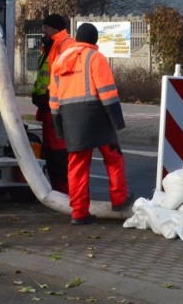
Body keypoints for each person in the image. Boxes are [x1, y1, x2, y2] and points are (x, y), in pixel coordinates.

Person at [49, 22, 134, 225]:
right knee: (113, 157)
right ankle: (119, 200)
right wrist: (117, 121)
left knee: (77, 166)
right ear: (95, 41)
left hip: (71, 119)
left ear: (77, 39)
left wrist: (59, 127)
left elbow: (53, 99)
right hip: (97, 116)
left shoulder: (60, 61)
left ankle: (78, 213)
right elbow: (108, 93)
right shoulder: (95, 57)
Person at [31, 14, 74, 193]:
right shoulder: (51, 46)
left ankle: (65, 191)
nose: (43, 31)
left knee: (59, 153)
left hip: (57, 107)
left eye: (46, 28)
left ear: (55, 29)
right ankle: (59, 190)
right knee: (51, 153)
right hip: (49, 106)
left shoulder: (64, 46)